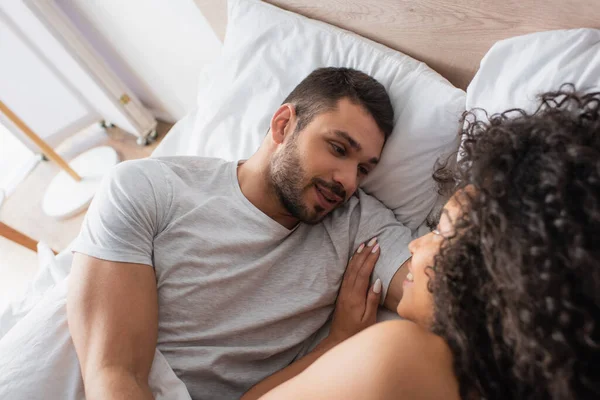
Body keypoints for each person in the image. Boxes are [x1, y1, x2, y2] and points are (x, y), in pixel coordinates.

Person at [67, 67, 415, 399]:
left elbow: (436, 297)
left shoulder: (356, 223)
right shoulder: (150, 190)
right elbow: (114, 373)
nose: (349, 181)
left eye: (364, 169)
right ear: (283, 125)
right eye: (338, 149)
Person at [254, 88, 600, 399]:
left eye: (439, 231)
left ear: (498, 273)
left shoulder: (404, 358)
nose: (414, 245)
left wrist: (337, 341)